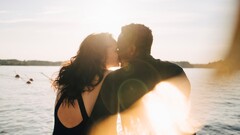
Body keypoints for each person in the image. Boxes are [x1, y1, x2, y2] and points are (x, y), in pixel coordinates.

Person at [91, 23, 191, 121]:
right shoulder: (176, 71)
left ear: (131, 49)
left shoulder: (113, 80)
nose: (117, 52)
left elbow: (106, 128)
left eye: (120, 48)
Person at [52, 33, 119, 135]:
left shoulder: (66, 80)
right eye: (116, 49)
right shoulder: (108, 77)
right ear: (102, 53)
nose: (119, 53)